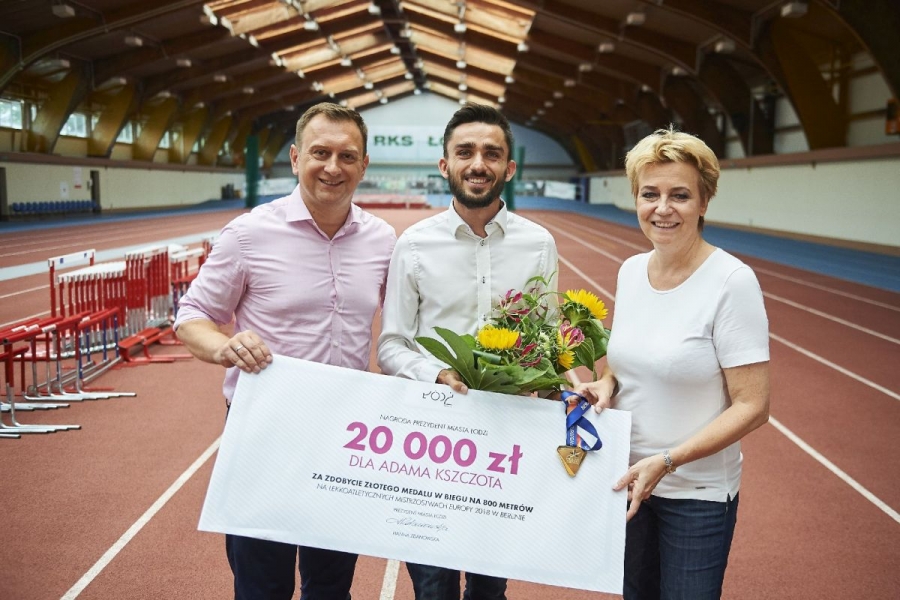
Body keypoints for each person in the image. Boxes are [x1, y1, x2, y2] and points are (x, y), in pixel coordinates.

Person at [174, 102, 396, 600]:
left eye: (347, 156)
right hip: (263, 432)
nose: (333, 167)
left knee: (331, 585)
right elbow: (192, 316)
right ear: (296, 158)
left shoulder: (383, 240)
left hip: (345, 434)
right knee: (262, 585)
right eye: (320, 153)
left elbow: (405, 328)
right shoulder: (248, 234)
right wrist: (226, 346)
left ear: (363, 166)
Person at [572, 127, 770, 599]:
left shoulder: (731, 282)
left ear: (704, 202)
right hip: (627, 480)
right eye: (650, 194)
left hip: (696, 493)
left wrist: (668, 461)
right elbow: (628, 361)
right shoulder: (631, 271)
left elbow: (753, 406)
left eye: (679, 195)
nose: (662, 208)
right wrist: (607, 384)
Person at [376, 103, 559, 600]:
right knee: (433, 588)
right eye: (465, 152)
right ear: (445, 164)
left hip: (502, 442)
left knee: (489, 587)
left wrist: (549, 381)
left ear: (509, 168)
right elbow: (391, 345)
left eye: (491, 154)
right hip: (430, 442)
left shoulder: (538, 244)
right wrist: (436, 375)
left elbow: (546, 340)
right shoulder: (414, 244)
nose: (478, 164)